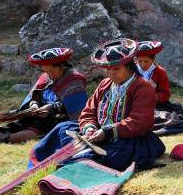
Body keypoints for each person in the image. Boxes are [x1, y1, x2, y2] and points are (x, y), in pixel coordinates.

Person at [28, 39, 165, 171]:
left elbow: (139, 122)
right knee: (62, 128)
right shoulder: (105, 84)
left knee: (115, 155)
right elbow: (88, 111)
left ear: (128, 66)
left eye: (116, 69)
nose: (111, 73)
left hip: (129, 138)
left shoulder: (143, 87)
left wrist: (107, 132)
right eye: (107, 69)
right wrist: (89, 128)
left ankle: (82, 160)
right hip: (98, 133)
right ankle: (75, 157)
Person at [0, 48, 87, 144]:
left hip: (60, 118)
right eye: (45, 71)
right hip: (40, 114)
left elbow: (75, 109)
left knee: (41, 126)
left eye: (51, 71)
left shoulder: (74, 81)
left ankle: (5, 138)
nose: (48, 74)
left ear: (62, 66)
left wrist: (51, 108)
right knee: (23, 121)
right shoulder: (46, 77)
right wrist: (34, 105)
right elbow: (35, 96)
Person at [135, 41, 183, 135]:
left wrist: (152, 98)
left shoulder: (160, 72)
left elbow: (165, 94)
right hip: (135, 103)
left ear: (153, 59)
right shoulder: (131, 71)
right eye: (140, 61)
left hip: (155, 105)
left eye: (146, 61)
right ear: (136, 59)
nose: (143, 64)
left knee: (167, 117)